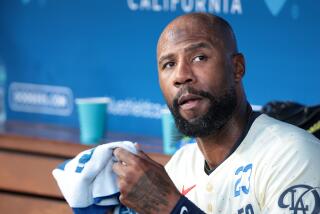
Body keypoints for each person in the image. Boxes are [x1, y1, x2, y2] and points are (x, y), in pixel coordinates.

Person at [112, 12, 320, 213]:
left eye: (199, 57)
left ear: (237, 68)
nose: (181, 75)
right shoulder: (180, 166)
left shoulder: (292, 154)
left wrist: (173, 208)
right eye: (169, 64)